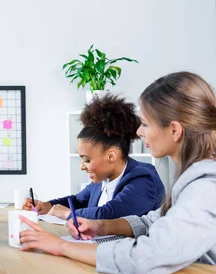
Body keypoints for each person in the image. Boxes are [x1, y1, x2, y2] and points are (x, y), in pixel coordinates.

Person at [19, 72, 216, 274]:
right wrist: (101, 226)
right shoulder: (194, 178)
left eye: (146, 124)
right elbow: (153, 221)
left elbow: (146, 257)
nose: (139, 132)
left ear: (174, 130)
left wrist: (62, 247)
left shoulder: (204, 187)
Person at [23, 94, 165, 220]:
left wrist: (68, 214)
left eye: (87, 160)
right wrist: (47, 205)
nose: (82, 166)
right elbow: (77, 200)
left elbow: (108, 214)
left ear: (111, 155)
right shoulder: (102, 180)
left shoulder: (143, 179)